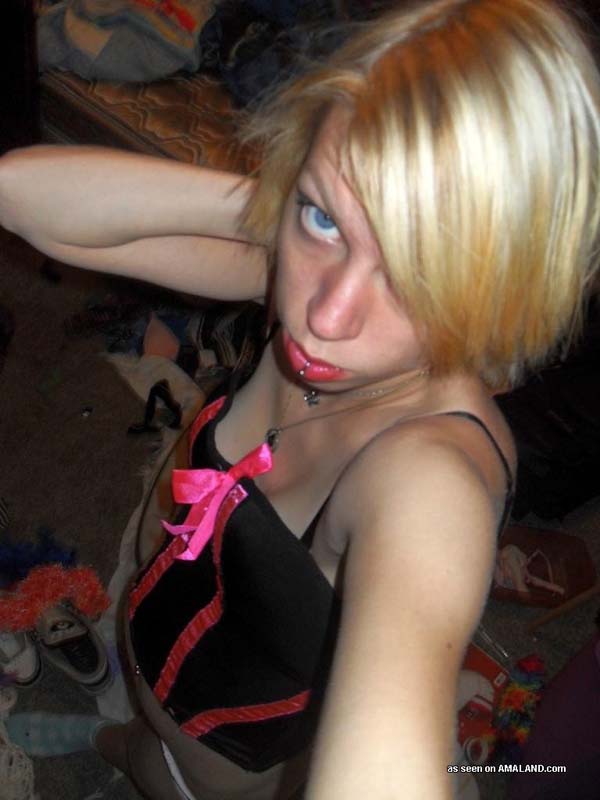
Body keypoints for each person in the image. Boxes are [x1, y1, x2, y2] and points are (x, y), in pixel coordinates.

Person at [1, 0, 600, 797]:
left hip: (208, 761)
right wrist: (291, 201)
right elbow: (19, 194)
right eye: (325, 219)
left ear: (496, 296)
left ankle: (107, 743)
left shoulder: (432, 476)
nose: (325, 316)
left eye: (419, 272)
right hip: (154, 596)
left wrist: (331, 217)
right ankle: (118, 719)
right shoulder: (306, 269)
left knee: (144, 763)